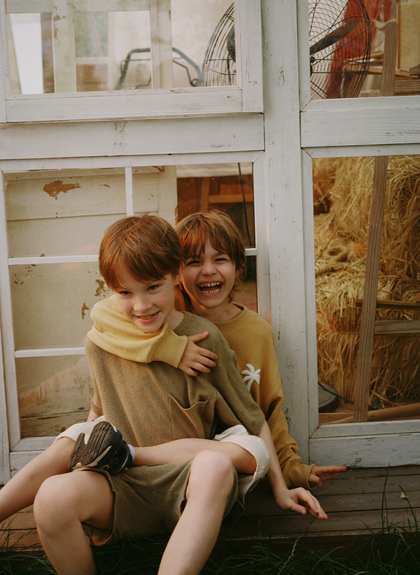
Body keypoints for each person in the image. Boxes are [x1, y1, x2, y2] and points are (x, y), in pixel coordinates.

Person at [0, 215, 325, 575]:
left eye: (153, 287)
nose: (141, 306)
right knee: (50, 496)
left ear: (176, 275)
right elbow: (99, 412)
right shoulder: (102, 344)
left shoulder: (204, 339)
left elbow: (252, 416)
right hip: (124, 487)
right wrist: (82, 461)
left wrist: (280, 489)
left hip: (192, 486)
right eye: (125, 292)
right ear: (111, 289)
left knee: (216, 464)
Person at [91, 210, 346, 489]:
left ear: (238, 267)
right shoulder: (161, 316)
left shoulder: (256, 333)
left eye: (220, 259)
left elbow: (266, 411)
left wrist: (291, 469)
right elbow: (102, 313)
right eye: (194, 261)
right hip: (169, 463)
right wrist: (172, 347)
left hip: (231, 462)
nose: (208, 270)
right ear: (178, 272)